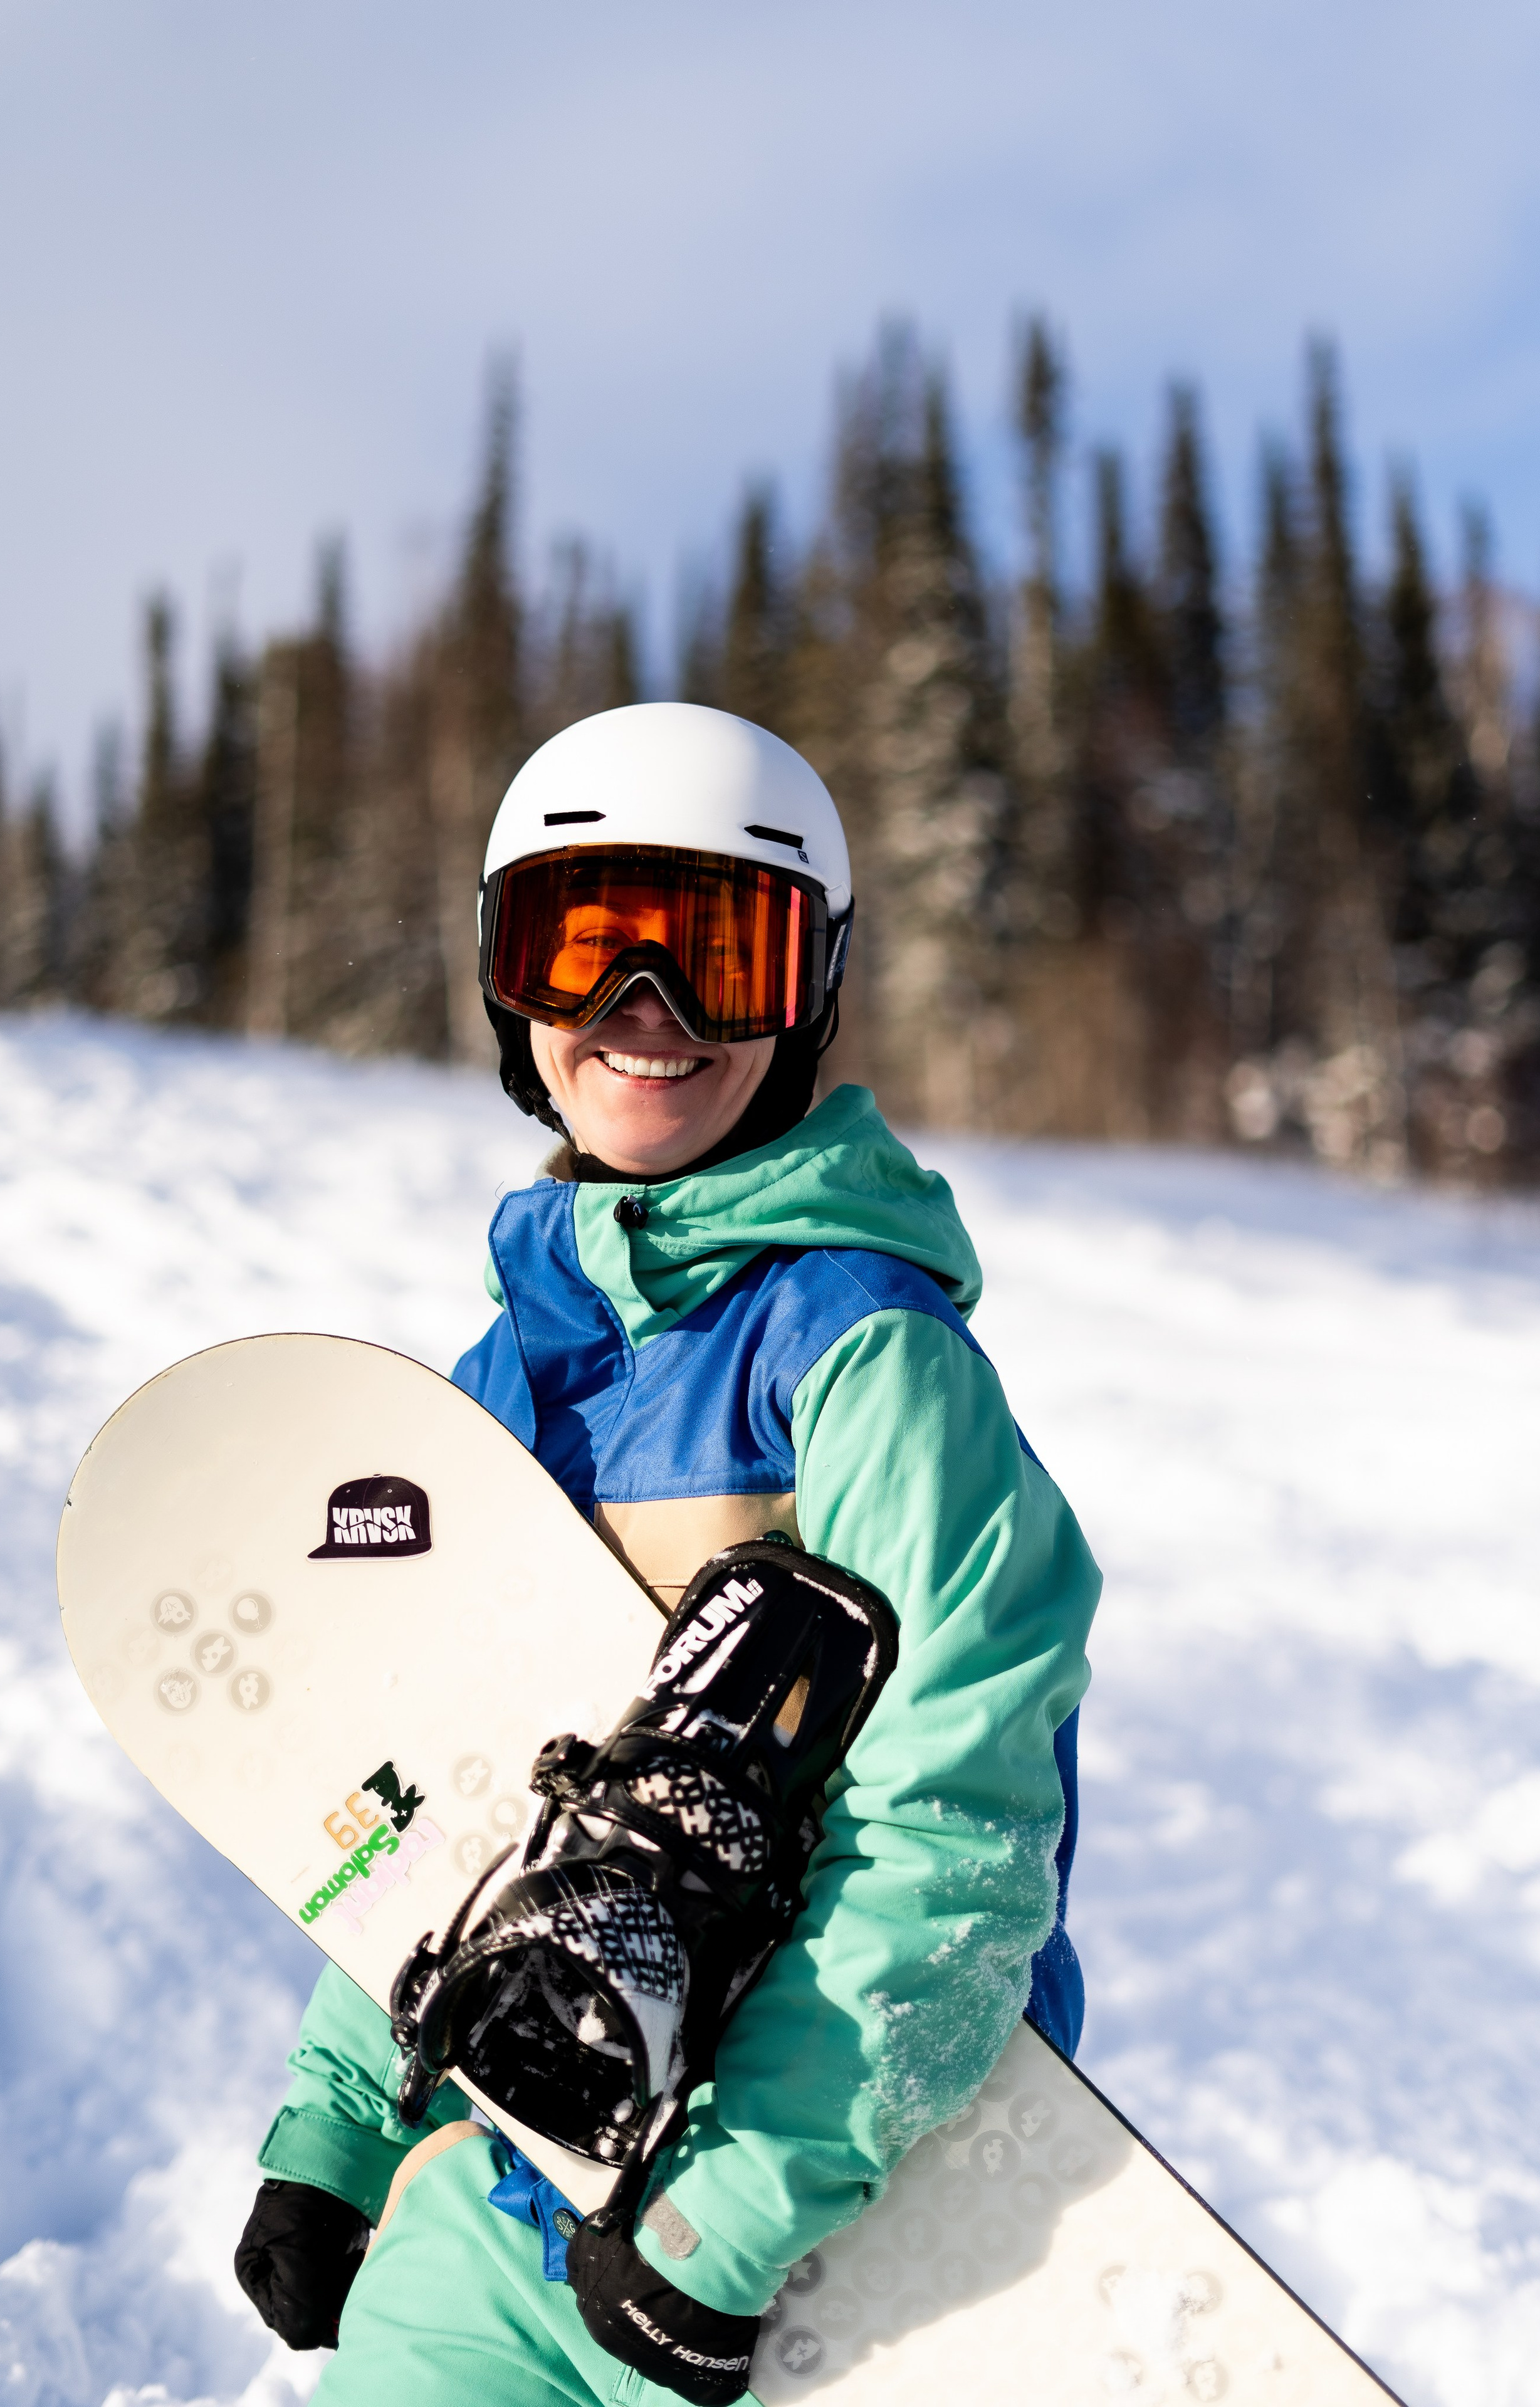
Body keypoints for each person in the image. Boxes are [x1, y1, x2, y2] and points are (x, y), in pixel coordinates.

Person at [234, 703, 1100, 2406]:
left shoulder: (867, 1358)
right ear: (511, 979)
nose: (650, 1015)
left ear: (810, 987)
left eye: (719, 950)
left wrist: (741, 2205)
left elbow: (959, 1812)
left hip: (839, 2201)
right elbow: (442, 1794)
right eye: (587, 942)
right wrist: (345, 2118)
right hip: (523, 2162)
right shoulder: (507, 1385)